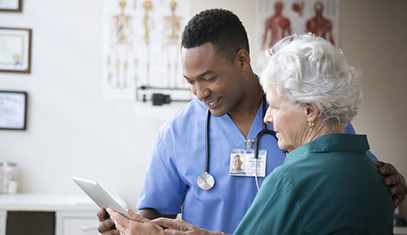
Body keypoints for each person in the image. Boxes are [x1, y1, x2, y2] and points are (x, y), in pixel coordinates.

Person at [98, 9, 407, 235]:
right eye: (190, 82)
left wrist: (392, 182)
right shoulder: (177, 132)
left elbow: (355, 182)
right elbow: (156, 211)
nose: (199, 93)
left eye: (209, 78)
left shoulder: (308, 114)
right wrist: (131, 226)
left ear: (242, 61)